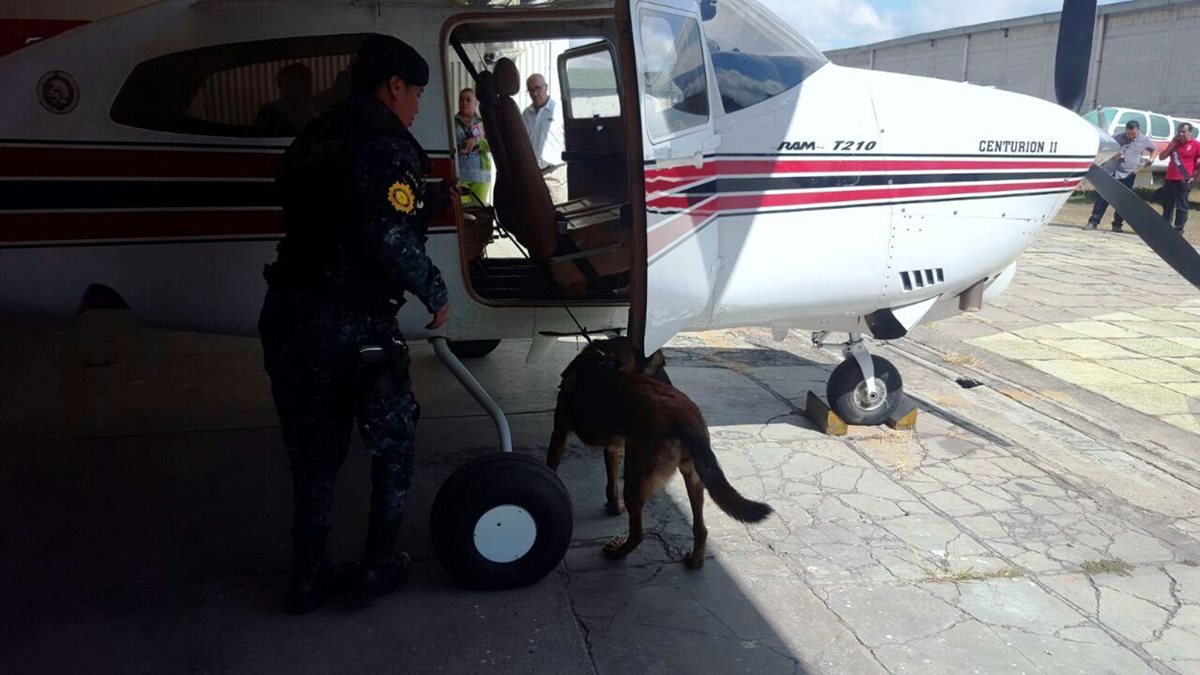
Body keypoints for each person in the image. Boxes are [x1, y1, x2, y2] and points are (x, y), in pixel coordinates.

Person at [257, 34, 455, 614]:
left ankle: (309, 576)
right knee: (392, 444)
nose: (418, 105)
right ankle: (377, 565)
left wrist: (423, 201)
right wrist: (436, 292)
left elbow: (334, 209)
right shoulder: (388, 143)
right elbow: (384, 234)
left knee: (313, 454)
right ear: (394, 85)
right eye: (416, 92)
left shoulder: (314, 135)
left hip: (290, 313)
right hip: (352, 323)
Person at [1086, 119, 1157, 233]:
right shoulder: (1117, 137)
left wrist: (1151, 159)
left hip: (1128, 174)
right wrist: (1114, 153)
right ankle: (1093, 221)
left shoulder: (1144, 139)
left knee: (1123, 201)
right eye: (1129, 134)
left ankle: (1117, 225)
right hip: (1111, 172)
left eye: (1133, 134)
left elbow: (1154, 149)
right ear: (1125, 131)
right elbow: (1105, 147)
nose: (1131, 136)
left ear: (1138, 131)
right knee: (1103, 198)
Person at [521, 73, 568, 204]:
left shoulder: (559, 111)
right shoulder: (526, 114)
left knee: (558, 215)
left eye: (538, 88)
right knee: (536, 215)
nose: (535, 93)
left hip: (555, 174)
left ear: (546, 87)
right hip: (533, 174)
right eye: (530, 90)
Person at [1158, 122, 1200, 232]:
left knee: (1182, 207)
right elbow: (1162, 157)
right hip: (1169, 178)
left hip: (1183, 180)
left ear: (1190, 132)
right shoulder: (1175, 144)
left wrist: (1196, 176)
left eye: (1183, 132)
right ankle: (1165, 228)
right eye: (1179, 132)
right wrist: (1171, 146)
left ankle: (1178, 229)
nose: (1181, 134)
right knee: (1167, 205)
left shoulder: (1196, 145)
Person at [255, 62, 318, 136]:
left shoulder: (317, 106)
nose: (307, 89)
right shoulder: (269, 113)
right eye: (296, 84)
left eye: (307, 83)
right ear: (284, 87)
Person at [454, 87, 492, 205]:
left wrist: (477, 142)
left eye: (468, 100)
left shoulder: (484, 122)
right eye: (461, 100)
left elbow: (492, 145)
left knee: (479, 212)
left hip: (481, 177)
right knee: (463, 210)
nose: (464, 102)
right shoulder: (451, 122)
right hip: (461, 177)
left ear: (476, 103)